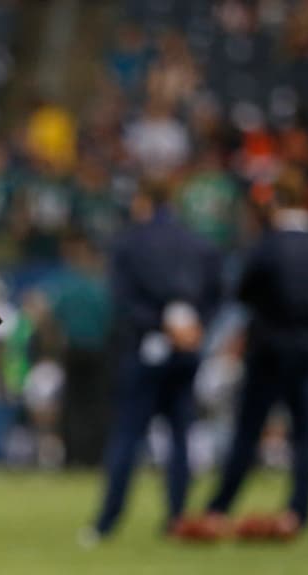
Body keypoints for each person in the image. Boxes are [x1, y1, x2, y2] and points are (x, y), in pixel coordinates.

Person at [190, 172, 308, 540]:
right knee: (303, 434)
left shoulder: (268, 246)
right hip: (306, 346)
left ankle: (220, 505)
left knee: (248, 430)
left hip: (268, 347)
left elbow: (243, 292)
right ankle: (299, 509)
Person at [84, 180, 222, 543]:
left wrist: (161, 323)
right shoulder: (198, 242)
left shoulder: (129, 243)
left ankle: (107, 523)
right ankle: (177, 517)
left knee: (129, 435)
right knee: (180, 435)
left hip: (143, 349)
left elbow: (123, 301)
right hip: (186, 351)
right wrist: (195, 326)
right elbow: (217, 291)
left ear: (143, 200)